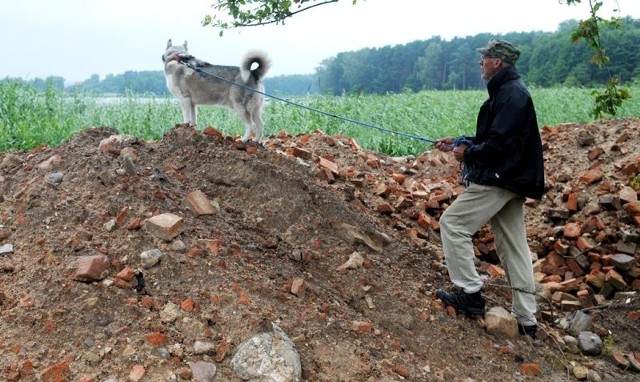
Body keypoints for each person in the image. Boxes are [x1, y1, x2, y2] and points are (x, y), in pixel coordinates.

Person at [433, 39, 544, 339]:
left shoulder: (511, 95)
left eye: (485, 58)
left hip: (500, 178)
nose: (481, 62)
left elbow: (500, 145)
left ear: (498, 62)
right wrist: (460, 141)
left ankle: (470, 293)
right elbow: (495, 138)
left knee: (452, 223)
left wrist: (467, 153)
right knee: (514, 248)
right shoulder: (509, 92)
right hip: (512, 179)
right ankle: (526, 319)